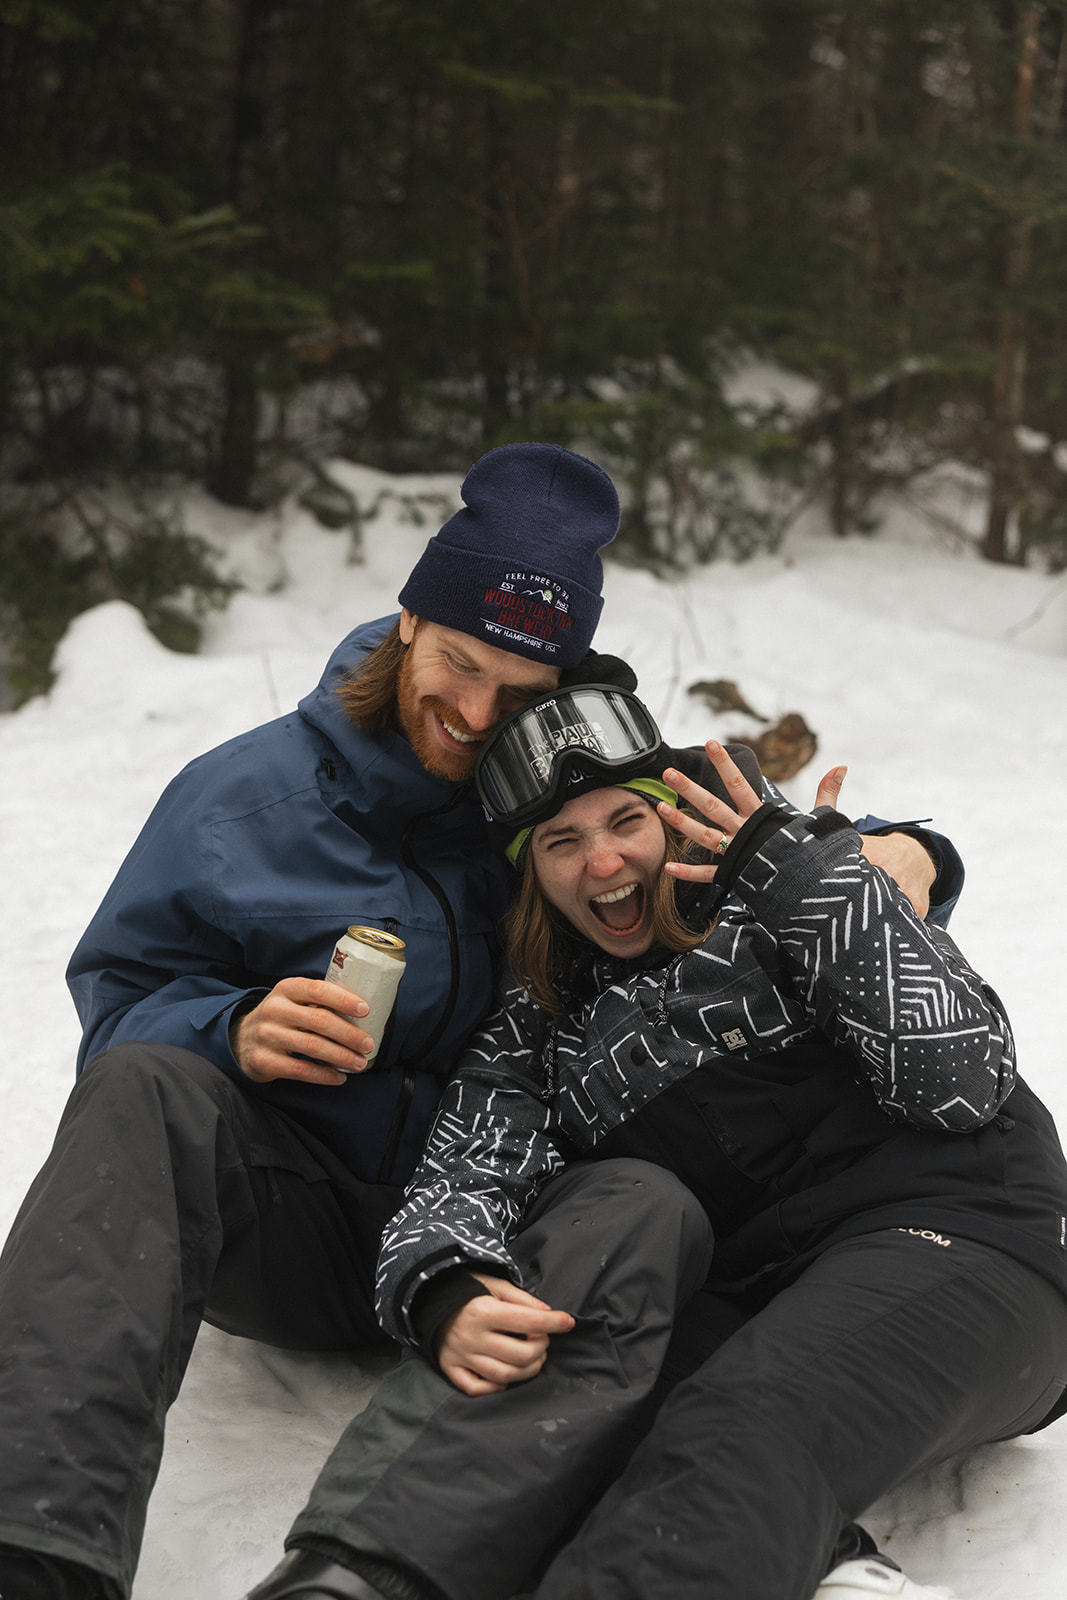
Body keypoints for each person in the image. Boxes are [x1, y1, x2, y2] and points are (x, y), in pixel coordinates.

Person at [0, 440, 956, 1600]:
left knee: (643, 1199)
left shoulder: (563, 799)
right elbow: (117, 1013)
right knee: (143, 1087)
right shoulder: (235, 799)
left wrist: (913, 850)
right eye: (456, 662)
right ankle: (35, 1549)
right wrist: (232, 1027)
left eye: (520, 692)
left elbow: (724, 836)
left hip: (516, 1229)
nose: (474, 712)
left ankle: (363, 1573)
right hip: (303, 1213)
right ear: (408, 619)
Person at [241, 677, 1067, 1600]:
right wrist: (442, 1282)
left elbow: (957, 1083)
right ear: (531, 876)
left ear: (670, 819)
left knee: (743, 1415)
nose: (600, 864)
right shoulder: (538, 1030)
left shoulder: (784, 886)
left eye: (623, 821)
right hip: (761, 1295)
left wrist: (813, 882)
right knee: (568, 1423)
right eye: (561, 841)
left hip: (963, 1241)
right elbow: (463, 1172)